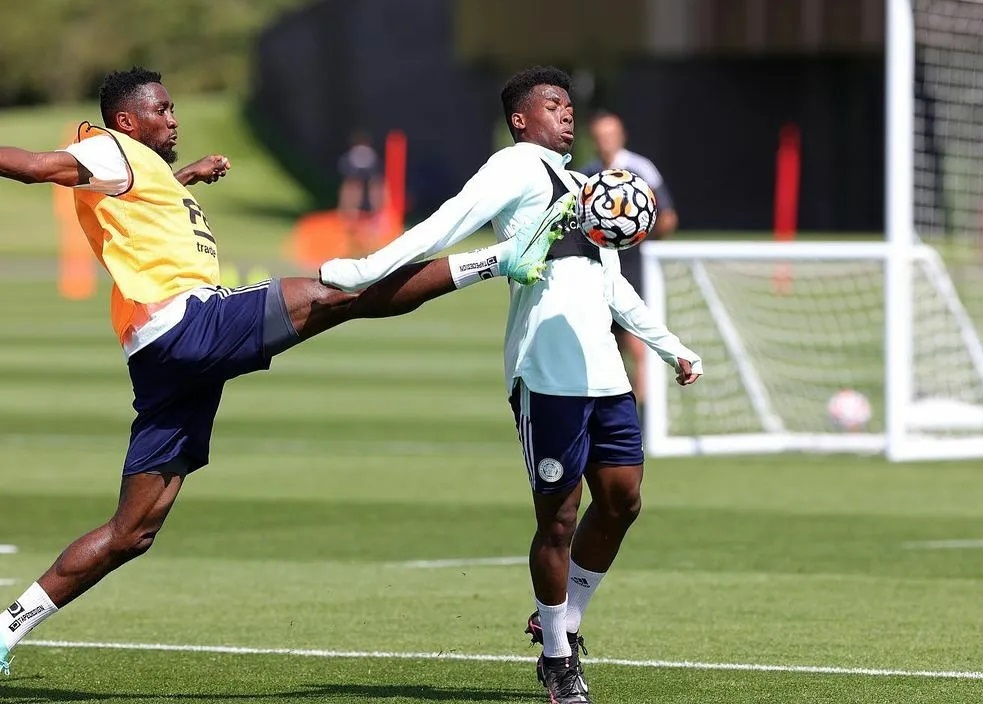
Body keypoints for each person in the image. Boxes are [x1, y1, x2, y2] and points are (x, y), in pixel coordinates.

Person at [0, 66, 573, 676]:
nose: (173, 119)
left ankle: (8, 628)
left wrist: (187, 176)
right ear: (126, 121)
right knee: (337, 294)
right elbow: (34, 166)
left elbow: (142, 195)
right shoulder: (110, 150)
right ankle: (499, 258)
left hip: (161, 357)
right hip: (185, 324)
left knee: (131, 531)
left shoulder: (137, 168)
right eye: (161, 110)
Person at [320, 66, 702, 704]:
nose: (567, 114)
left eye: (569, 106)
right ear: (521, 120)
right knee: (559, 519)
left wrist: (672, 347)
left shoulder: (590, 190)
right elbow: (447, 224)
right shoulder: (516, 166)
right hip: (545, 373)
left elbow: (613, 287)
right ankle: (557, 656)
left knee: (623, 501)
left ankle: (565, 618)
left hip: (604, 375)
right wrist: (367, 269)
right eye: (553, 105)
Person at [582, 111, 679, 407]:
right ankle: (619, 399)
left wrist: (637, 239)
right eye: (600, 137)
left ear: (621, 137)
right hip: (600, 266)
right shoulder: (588, 174)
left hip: (636, 265)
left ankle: (645, 406)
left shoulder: (640, 169)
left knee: (635, 336)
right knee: (607, 339)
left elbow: (668, 217)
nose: (605, 142)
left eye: (610, 135)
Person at [336, 130, 384, 249]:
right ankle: (350, 220)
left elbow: (375, 180)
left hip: (369, 200)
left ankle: (371, 220)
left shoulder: (368, 157)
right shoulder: (356, 157)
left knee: (371, 186)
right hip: (355, 199)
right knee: (353, 187)